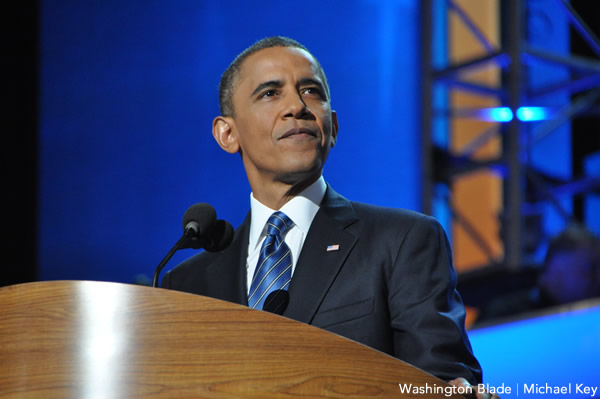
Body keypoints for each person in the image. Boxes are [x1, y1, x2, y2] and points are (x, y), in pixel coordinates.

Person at [163, 36, 485, 392]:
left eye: (311, 91)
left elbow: (438, 384)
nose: (296, 107)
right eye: (270, 93)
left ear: (332, 126)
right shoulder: (188, 285)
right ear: (227, 133)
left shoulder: (402, 241)